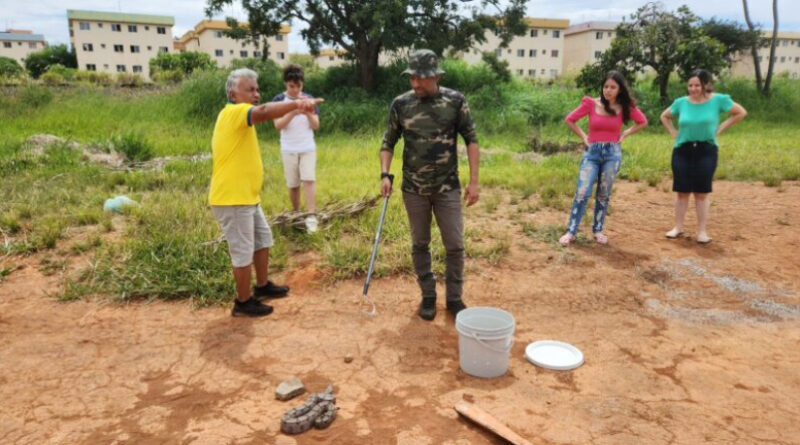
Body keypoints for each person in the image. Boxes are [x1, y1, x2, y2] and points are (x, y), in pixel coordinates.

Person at [209, 68, 323, 317]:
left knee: (262, 240)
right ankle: (243, 302)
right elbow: (263, 112)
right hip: (232, 199)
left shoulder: (238, 115)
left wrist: (294, 107)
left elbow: (262, 111)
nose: (256, 94)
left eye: (257, 89)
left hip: (247, 197)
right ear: (233, 93)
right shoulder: (234, 112)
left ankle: (261, 286)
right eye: (250, 89)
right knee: (242, 252)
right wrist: (297, 104)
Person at [380, 49, 480, 321]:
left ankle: (454, 298)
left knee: (455, 245)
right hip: (414, 189)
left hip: (448, 187)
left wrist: (474, 181)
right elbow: (388, 142)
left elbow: (471, 138)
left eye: (421, 78)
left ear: (436, 75)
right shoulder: (401, 104)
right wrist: (384, 173)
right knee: (420, 243)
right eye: (412, 77)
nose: (415, 84)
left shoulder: (455, 101)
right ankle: (428, 295)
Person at [559, 71, 648, 246]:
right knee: (582, 192)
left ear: (620, 89)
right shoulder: (591, 104)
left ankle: (598, 229)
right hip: (592, 153)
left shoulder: (624, 107)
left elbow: (643, 121)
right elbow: (570, 119)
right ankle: (571, 231)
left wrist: (626, 133)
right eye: (606, 86)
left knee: (603, 194)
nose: (608, 90)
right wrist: (584, 137)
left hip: (612, 154)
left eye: (613, 87)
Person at [660, 69, 747, 244]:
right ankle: (678, 227)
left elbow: (740, 112)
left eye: (697, 85)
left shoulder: (718, 100)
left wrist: (721, 128)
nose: (693, 89)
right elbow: (665, 116)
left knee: (701, 192)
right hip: (682, 150)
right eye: (690, 85)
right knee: (682, 191)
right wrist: (672, 131)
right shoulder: (681, 103)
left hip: (706, 150)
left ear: (705, 85)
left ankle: (702, 232)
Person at [272, 64, 321, 233]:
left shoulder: (309, 99)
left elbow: (316, 125)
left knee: (309, 179)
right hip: (288, 148)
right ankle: (296, 214)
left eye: (298, 86)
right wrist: (293, 111)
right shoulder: (278, 100)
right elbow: (278, 125)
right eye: (292, 86)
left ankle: (311, 215)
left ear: (302, 84)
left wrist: (307, 110)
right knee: (293, 184)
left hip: (307, 147)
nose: (295, 90)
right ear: (286, 83)